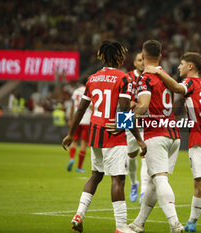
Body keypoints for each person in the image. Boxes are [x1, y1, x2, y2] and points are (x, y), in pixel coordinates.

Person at [62, 40, 146, 233]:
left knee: (96, 175)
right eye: (122, 54)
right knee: (118, 180)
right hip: (113, 134)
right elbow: (124, 111)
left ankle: (79, 215)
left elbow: (81, 109)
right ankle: (120, 227)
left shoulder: (92, 78)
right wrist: (139, 140)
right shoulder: (124, 78)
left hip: (96, 133)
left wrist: (70, 134)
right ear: (117, 57)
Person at [145, 52, 201, 233]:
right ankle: (192, 223)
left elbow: (176, 87)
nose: (179, 67)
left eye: (181, 64)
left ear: (190, 67)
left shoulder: (190, 83)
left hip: (199, 139)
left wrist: (159, 72)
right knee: (198, 184)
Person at [128, 40, 184, 233]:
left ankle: (175, 224)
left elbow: (143, 106)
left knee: (160, 179)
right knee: (153, 180)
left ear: (143, 57)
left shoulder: (145, 78)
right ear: (160, 56)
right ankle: (138, 223)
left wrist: (125, 119)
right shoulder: (165, 75)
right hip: (174, 135)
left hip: (156, 134)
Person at [126, 52, 148, 203]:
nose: (142, 63)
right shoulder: (127, 77)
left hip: (146, 122)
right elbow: (120, 99)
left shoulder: (151, 77)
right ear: (134, 63)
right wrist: (130, 104)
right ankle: (134, 184)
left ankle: (144, 192)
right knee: (131, 157)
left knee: (145, 156)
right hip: (129, 121)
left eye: (144, 60)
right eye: (139, 60)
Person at [66, 81, 92, 173]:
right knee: (83, 143)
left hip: (76, 120)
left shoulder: (76, 91)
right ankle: (79, 167)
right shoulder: (90, 90)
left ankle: (71, 158)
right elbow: (92, 107)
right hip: (87, 120)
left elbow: (72, 106)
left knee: (74, 140)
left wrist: (70, 119)